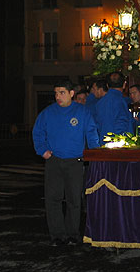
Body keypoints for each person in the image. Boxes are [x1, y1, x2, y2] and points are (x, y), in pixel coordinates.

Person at [32, 80, 100, 246]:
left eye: (62, 92)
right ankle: (57, 235)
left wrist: (94, 153)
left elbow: (91, 133)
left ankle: (72, 234)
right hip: (54, 161)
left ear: (71, 94)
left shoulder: (82, 112)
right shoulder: (48, 113)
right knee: (53, 199)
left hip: (75, 162)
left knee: (74, 200)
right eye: (56, 93)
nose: (58, 96)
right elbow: (38, 132)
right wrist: (43, 150)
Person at [94, 72, 133, 145]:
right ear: (124, 84)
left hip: (103, 142)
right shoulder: (121, 101)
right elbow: (122, 123)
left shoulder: (99, 103)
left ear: (107, 85)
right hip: (118, 144)